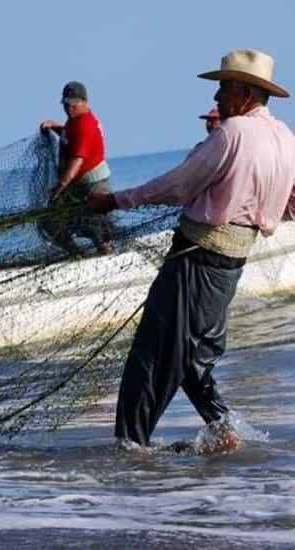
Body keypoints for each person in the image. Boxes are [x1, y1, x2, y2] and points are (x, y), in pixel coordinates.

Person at [88, 49, 295, 451]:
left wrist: (115, 201)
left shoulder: (232, 133)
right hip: (229, 267)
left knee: (153, 355)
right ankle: (222, 430)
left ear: (244, 91)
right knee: (193, 355)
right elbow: (291, 203)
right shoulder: (286, 138)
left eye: (222, 87)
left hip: (196, 260)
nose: (217, 98)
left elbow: (177, 185)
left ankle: (130, 451)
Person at [39, 81, 114, 255]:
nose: (69, 108)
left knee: (98, 230)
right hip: (77, 185)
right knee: (50, 221)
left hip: (94, 184)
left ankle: (109, 258)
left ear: (85, 102)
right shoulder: (75, 120)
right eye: (66, 103)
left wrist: (61, 185)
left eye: (74, 103)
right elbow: (70, 137)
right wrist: (55, 127)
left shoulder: (86, 125)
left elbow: (78, 160)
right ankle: (77, 254)